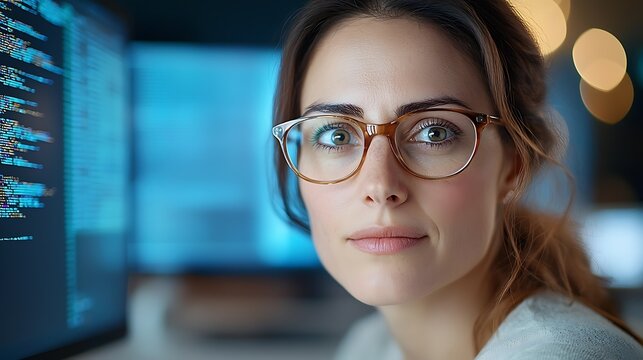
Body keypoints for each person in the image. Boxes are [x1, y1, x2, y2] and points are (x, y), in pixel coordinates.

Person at [270, 0, 643, 359]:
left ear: (513, 163)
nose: (380, 187)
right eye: (337, 135)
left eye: (434, 133)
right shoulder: (370, 346)